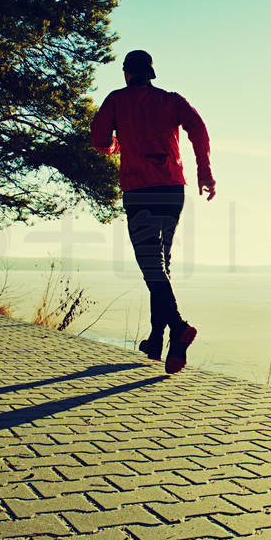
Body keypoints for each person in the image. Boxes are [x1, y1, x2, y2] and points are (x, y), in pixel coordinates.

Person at [90, 50, 216, 374]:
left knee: (151, 264)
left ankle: (178, 327)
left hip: (140, 190)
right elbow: (198, 128)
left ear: (126, 73)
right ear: (151, 74)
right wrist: (204, 171)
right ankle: (157, 339)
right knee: (160, 263)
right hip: (172, 189)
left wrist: (116, 146)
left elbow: (98, 137)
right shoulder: (171, 100)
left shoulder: (116, 100)